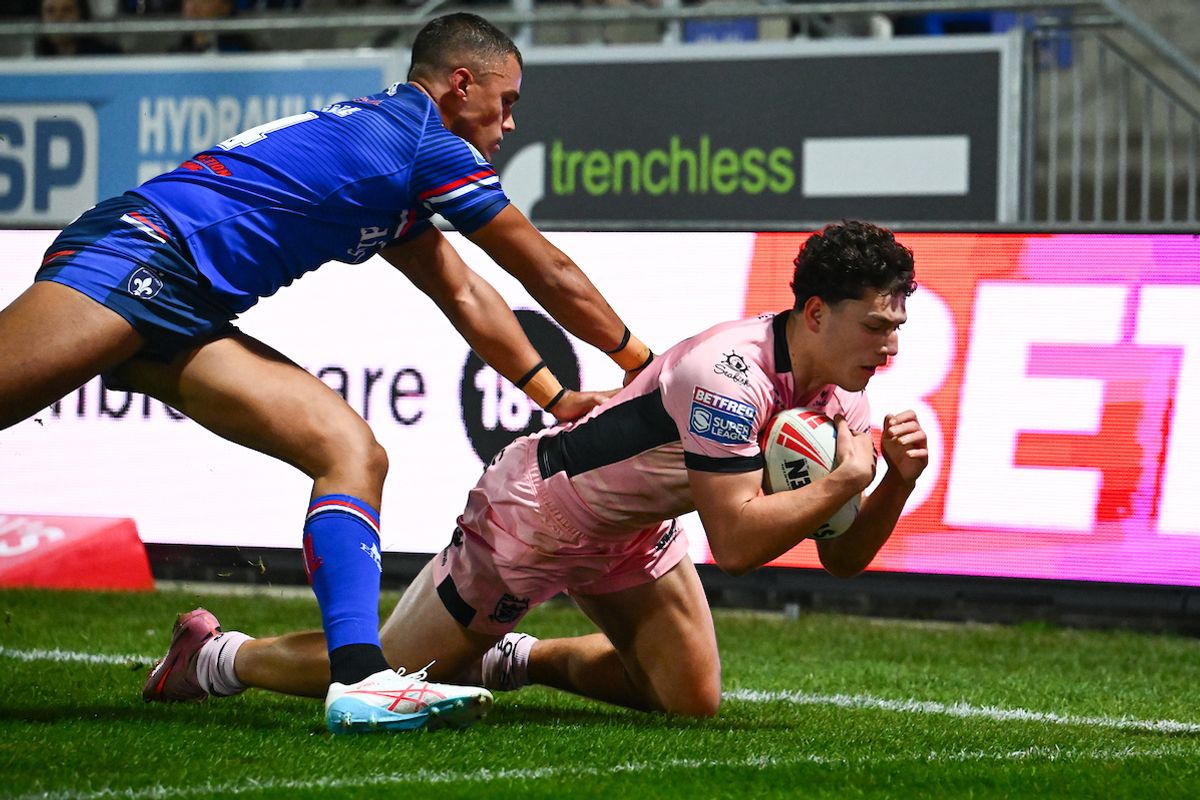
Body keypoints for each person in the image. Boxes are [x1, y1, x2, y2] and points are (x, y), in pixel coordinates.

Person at [0, 12, 655, 733]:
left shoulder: (395, 163)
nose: (508, 125)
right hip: (141, 255)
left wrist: (556, 397)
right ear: (460, 84)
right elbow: (545, 268)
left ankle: (360, 680)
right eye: (505, 104)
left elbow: (464, 292)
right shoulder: (420, 140)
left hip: (187, 307)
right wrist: (649, 367)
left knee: (350, 452)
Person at [145, 220, 928, 719]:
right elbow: (738, 542)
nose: (890, 347)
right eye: (876, 326)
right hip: (538, 516)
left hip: (631, 529)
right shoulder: (732, 373)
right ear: (817, 313)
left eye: (897, 327)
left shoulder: (839, 396)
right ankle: (214, 658)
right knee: (380, 677)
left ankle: (510, 655)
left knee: (690, 702)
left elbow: (841, 556)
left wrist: (892, 480)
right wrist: (841, 482)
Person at [37, 0, 124, 56]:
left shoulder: (106, 55)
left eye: (66, 10)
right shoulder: (33, 57)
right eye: (50, 11)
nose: (58, 18)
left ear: (81, 15)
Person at [170, 0, 257, 53]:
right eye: (188, 1)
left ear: (226, 7)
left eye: (203, 1)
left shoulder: (247, 54)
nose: (193, 8)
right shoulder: (173, 56)